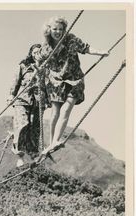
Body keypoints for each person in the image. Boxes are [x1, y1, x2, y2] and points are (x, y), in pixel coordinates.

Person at [36, 16, 109, 154]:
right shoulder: (46, 47)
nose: (58, 32)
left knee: (67, 109)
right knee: (55, 112)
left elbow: (86, 48)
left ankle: (56, 141)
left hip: (75, 80)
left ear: (64, 30)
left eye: (61, 29)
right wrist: (38, 70)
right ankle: (52, 142)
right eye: (55, 29)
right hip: (56, 82)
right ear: (49, 30)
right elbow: (38, 59)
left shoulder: (71, 40)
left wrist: (100, 52)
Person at [7, 44, 49, 167]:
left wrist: (49, 99)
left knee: (35, 127)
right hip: (22, 99)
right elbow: (16, 80)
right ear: (31, 53)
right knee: (23, 124)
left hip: (38, 101)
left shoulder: (46, 68)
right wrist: (11, 95)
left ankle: (33, 153)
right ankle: (20, 155)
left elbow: (49, 85)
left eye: (39, 52)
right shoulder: (24, 66)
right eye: (34, 52)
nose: (36, 54)